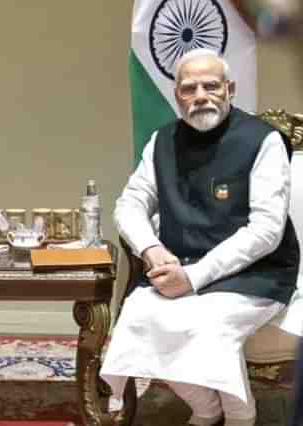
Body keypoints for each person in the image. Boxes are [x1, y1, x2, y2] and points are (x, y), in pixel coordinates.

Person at [100, 48, 300, 426]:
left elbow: (266, 232)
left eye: (211, 86)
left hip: (258, 272)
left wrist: (193, 279)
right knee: (138, 317)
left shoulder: (264, 141)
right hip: (181, 266)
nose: (200, 96)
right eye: (189, 88)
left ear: (230, 89)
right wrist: (152, 249)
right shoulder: (161, 142)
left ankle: (242, 416)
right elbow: (129, 204)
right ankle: (207, 410)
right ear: (177, 95)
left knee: (207, 325)